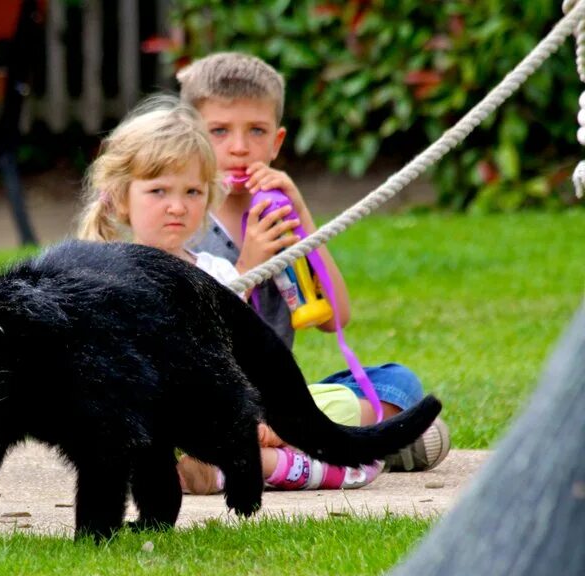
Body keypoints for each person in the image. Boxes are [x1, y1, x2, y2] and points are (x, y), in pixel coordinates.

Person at [77, 96, 388, 493]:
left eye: (192, 192)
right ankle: (264, 463)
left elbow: (241, 360)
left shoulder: (217, 272)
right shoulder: (105, 276)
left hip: (228, 411)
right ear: (122, 198)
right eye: (158, 191)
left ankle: (243, 463)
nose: (177, 206)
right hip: (155, 422)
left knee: (338, 405)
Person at [174, 53, 451, 489]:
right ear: (191, 137)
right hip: (214, 395)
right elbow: (193, 337)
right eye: (220, 131)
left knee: (398, 382)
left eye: (257, 131)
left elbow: (335, 318)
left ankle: (283, 441)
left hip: (279, 398)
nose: (240, 147)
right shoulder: (187, 220)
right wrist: (246, 266)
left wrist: (303, 215)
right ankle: (332, 444)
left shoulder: (279, 213)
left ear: (277, 141)